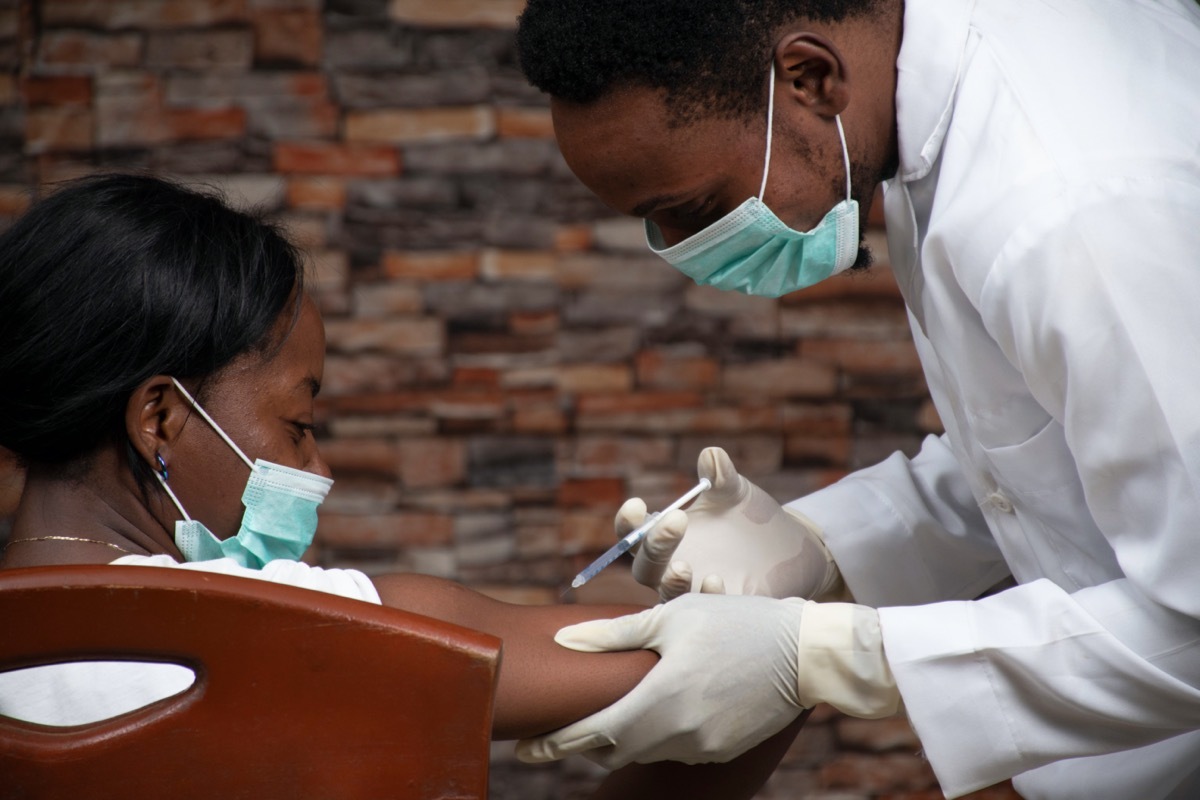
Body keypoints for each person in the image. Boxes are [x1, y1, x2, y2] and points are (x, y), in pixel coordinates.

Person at [511, 0, 1200, 797]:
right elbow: (1060, 449)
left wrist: (830, 658)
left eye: (694, 210)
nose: (684, 250)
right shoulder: (916, 101)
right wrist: (819, 546)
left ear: (809, 77)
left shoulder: (1069, 210)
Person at [0, 173, 803, 799]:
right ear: (161, 421)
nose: (318, 472)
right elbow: (744, 666)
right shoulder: (306, 628)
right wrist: (792, 586)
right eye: (299, 425)